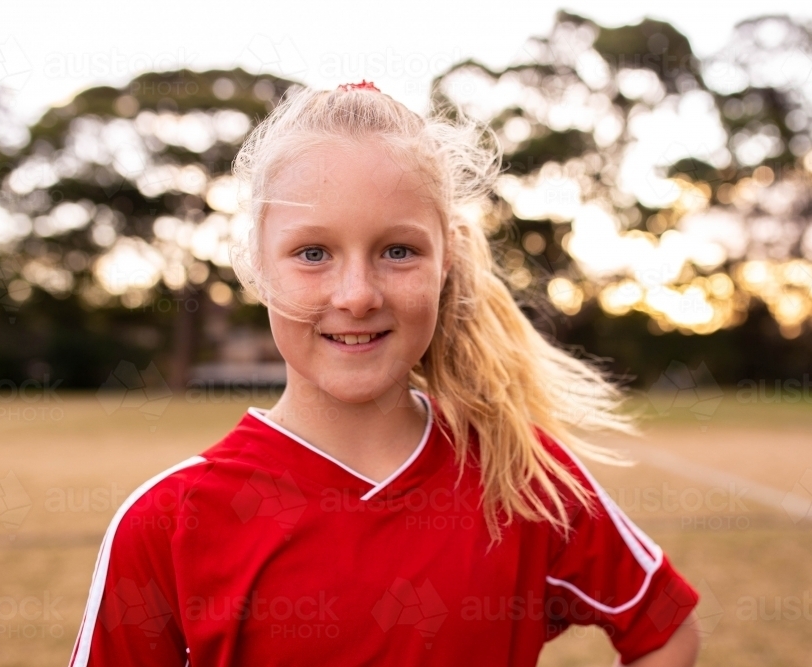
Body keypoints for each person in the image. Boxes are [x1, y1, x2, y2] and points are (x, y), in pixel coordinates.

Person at [69, 80, 700, 667]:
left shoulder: (516, 474)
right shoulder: (169, 523)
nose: (356, 295)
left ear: (445, 260)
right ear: (256, 267)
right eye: (312, 253)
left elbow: (665, 625)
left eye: (398, 251)